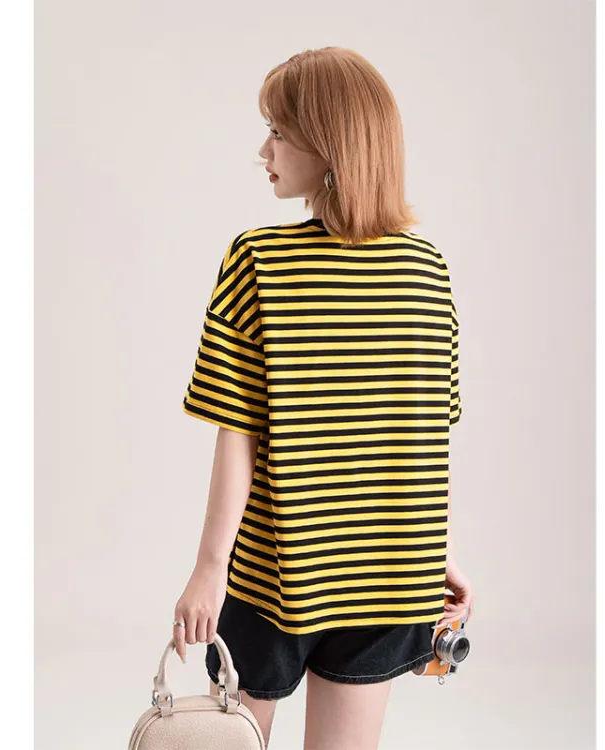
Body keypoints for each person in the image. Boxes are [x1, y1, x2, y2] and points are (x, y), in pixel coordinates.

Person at [173, 46, 475, 750]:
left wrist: (210, 570)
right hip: (392, 572)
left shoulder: (258, 259)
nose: (264, 151)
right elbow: (423, 434)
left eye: (278, 132)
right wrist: (436, 552)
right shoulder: (427, 268)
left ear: (330, 144)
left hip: (279, 574)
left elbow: (238, 430)